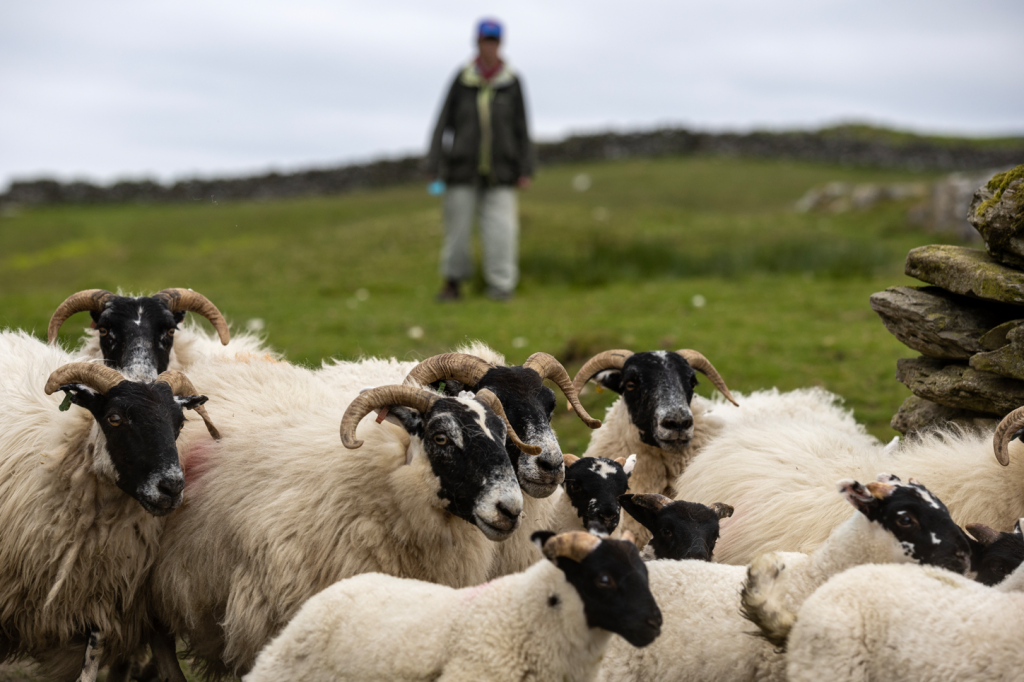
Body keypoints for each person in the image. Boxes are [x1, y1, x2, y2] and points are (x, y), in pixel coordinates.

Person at [426, 18, 534, 302]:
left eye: (494, 40)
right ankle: (453, 284)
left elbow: (522, 128)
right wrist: (434, 165)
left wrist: (525, 169)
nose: (490, 45)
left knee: (502, 232)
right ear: (478, 42)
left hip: (502, 172)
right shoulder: (462, 79)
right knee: (457, 232)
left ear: (501, 43)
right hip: (461, 170)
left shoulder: (512, 82)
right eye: (486, 40)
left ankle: (501, 287)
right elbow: (442, 123)